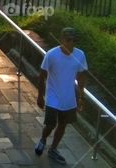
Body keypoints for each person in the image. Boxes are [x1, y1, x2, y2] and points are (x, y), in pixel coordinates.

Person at [36, 27, 89, 165]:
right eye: (68, 40)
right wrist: (40, 96)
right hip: (53, 97)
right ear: (62, 40)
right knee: (50, 124)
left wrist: (81, 96)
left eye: (73, 40)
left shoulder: (80, 55)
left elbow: (82, 76)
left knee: (63, 124)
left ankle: (53, 148)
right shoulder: (52, 54)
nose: (71, 43)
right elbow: (42, 75)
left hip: (69, 97)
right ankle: (43, 139)